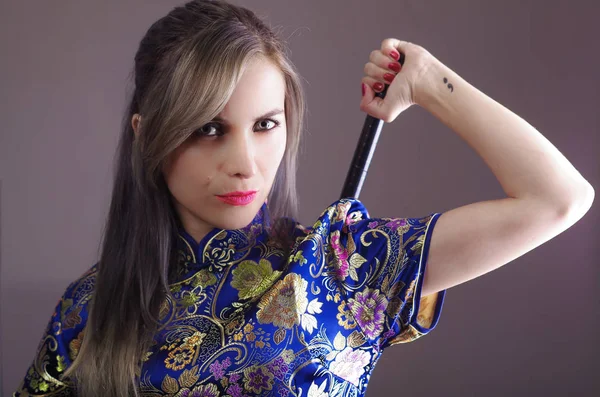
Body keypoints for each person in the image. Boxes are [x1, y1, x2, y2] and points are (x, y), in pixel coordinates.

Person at [13, 0, 594, 396]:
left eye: (266, 124)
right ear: (148, 134)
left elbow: (558, 198)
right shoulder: (89, 304)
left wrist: (430, 81)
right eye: (209, 129)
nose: (245, 163)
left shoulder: (341, 263)